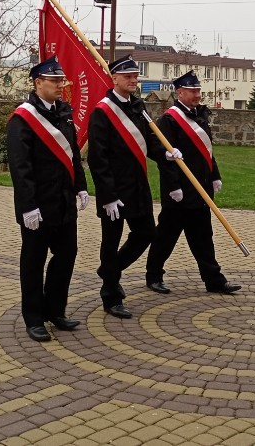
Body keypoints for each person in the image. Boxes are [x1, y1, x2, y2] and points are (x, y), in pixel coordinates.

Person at [6, 56, 90, 342]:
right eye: (53, 80)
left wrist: (80, 186)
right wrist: (28, 206)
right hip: (38, 205)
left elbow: (73, 155)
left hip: (64, 201)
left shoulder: (63, 113)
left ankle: (56, 309)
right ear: (37, 82)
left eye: (60, 80)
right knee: (33, 260)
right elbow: (21, 167)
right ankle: (33, 317)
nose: (59, 85)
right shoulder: (22, 119)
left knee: (67, 255)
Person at [88, 54, 174, 318]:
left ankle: (109, 270)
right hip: (114, 191)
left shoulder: (138, 107)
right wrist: (108, 196)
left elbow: (150, 141)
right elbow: (97, 158)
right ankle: (110, 294)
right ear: (114, 78)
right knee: (110, 242)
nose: (133, 80)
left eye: (135, 76)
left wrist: (167, 154)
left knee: (147, 232)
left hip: (138, 185)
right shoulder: (102, 112)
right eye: (127, 76)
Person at [145, 71, 241, 295]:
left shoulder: (199, 116)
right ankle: (153, 275)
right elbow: (165, 157)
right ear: (180, 92)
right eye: (192, 91)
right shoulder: (170, 119)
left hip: (201, 189)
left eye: (198, 91)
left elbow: (207, 151)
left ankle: (214, 280)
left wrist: (214, 175)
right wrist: (173, 187)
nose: (197, 95)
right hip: (179, 192)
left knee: (204, 238)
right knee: (166, 237)